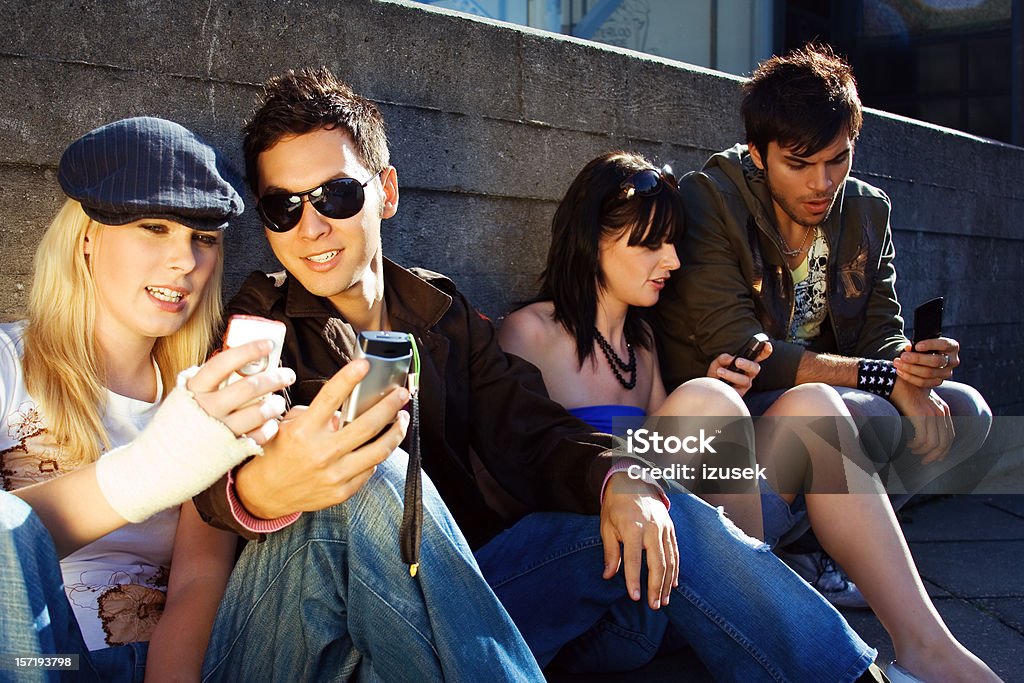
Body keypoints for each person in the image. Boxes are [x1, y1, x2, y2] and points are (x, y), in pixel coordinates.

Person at [192, 67, 893, 682]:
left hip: (463, 599)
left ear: (387, 192)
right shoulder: (261, 323)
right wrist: (260, 485)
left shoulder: (443, 312)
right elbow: (208, 497)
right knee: (365, 469)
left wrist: (618, 478)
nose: (310, 227)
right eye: (284, 207)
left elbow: (529, 430)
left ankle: (849, 673)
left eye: (335, 196)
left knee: (654, 493)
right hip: (318, 630)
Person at [500, 150, 1001, 683]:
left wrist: (719, 397)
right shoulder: (529, 334)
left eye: (672, 243)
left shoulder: (640, 346)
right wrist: (707, 404)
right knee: (710, 401)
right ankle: (771, 621)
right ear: (593, 238)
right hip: (607, 589)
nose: (670, 260)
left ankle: (924, 644)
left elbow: (686, 471)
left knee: (814, 408)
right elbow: (518, 475)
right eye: (650, 244)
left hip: (682, 563)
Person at [655, 43, 993, 610]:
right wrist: (890, 380)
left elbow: (881, 329)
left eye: (838, 159)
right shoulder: (708, 200)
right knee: (862, 408)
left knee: (963, 411)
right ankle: (789, 557)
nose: (822, 183)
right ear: (758, 155)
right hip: (742, 418)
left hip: (831, 401)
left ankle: (823, 554)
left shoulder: (865, 210)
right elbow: (742, 349)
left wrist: (912, 364)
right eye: (799, 163)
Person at [0, 117, 297, 681]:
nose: (185, 261)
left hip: (170, 660)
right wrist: (153, 472)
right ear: (87, 236)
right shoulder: (7, 362)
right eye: (154, 227)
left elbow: (198, 580)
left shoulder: (204, 390)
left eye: (203, 238)